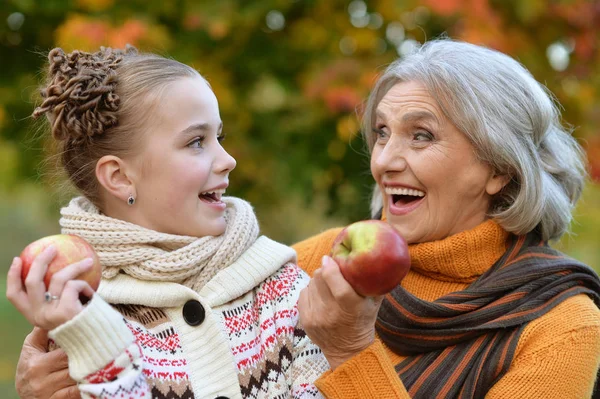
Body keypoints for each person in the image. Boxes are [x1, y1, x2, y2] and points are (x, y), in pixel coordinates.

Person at [13, 39, 600, 398]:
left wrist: (350, 351)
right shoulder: (316, 264)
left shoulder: (561, 324)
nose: (385, 160)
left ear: (498, 167)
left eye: (421, 136)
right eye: (380, 133)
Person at [6, 46, 329, 399]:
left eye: (219, 137)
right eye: (196, 142)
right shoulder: (83, 322)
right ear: (119, 177)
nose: (229, 160)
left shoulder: (282, 291)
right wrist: (91, 343)